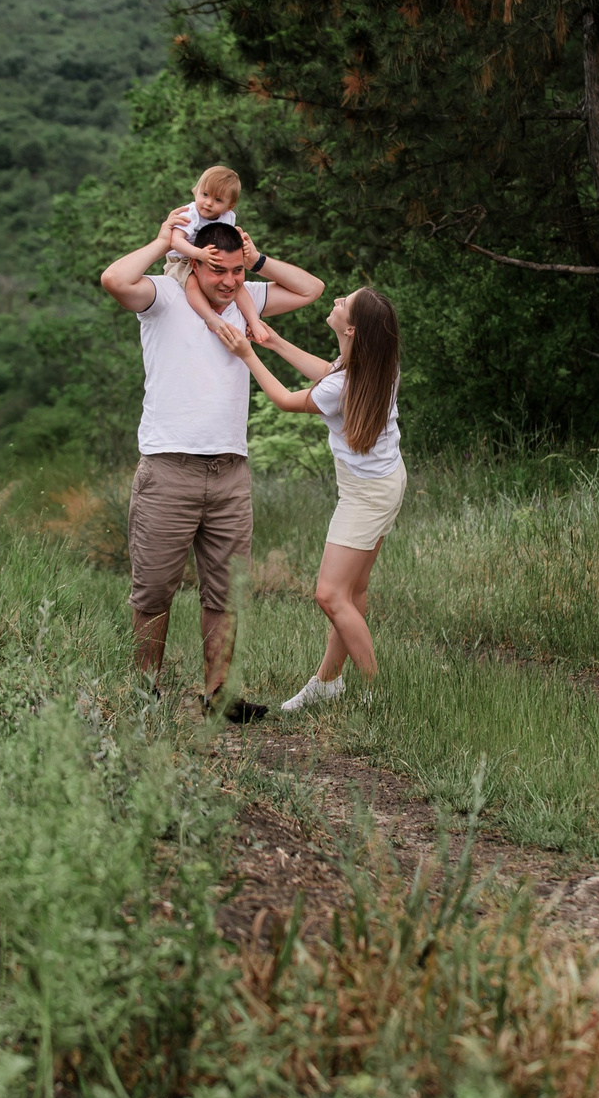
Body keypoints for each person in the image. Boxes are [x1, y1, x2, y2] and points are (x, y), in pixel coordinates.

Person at [98, 206, 325, 714]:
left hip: (230, 472)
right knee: (154, 589)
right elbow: (114, 279)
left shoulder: (247, 300)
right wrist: (166, 242)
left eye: (236, 271)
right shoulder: (163, 294)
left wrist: (258, 260)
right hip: (168, 468)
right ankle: (145, 692)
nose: (229, 281)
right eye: (217, 269)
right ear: (196, 263)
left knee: (225, 591)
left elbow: (312, 289)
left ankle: (218, 695)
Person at [237, 288, 403, 713]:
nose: (335, 301)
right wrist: (273, 341)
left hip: (366, 495)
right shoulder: (376, 363)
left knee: (330, 595)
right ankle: (328, 681)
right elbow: (328, 373)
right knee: (353, 590)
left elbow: (286, 400)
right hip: (383, 484)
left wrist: (247, 354)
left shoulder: (344, 383)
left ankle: (378, 694)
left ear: (352, 330)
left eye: (343, 303)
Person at [162, 164, 271, 351]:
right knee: (191, 282)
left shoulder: (228, 217)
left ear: (230, 205)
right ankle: (211, 319)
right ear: (196, 190)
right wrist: (199, 254)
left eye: (217, 199)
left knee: (237, 286)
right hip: (182, 260)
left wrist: (241, 243)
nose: (208, 203)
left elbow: (228, 238)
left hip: (210, 258)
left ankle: (254, 321)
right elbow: (175, 242)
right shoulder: (190, 214)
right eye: (204, 194)